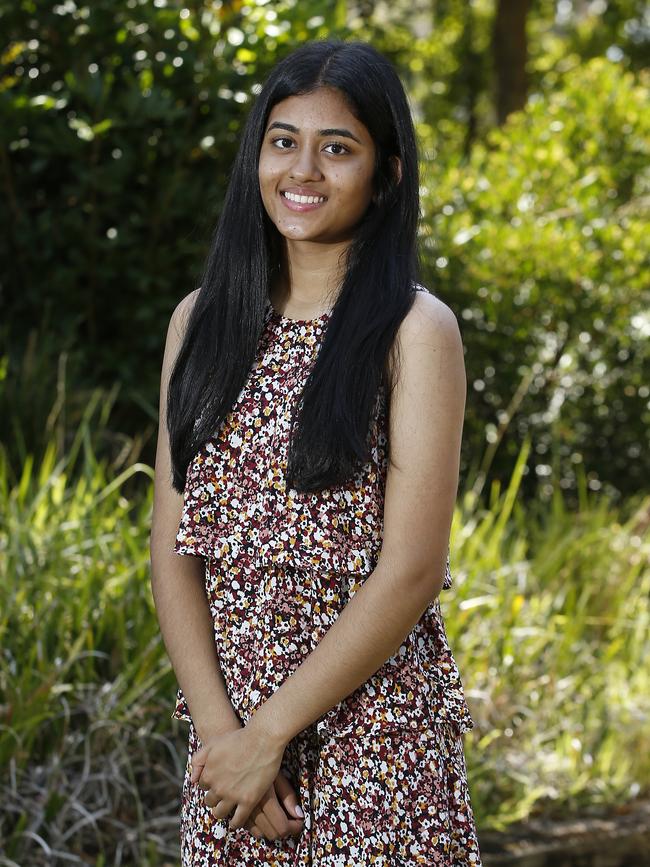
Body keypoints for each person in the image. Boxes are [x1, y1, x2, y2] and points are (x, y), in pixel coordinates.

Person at [150, 36, 483, 866]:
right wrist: (228, 742)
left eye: (338, 148)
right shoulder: (201, 323)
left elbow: (411, 568)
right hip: (228, 760)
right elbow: (172, 549)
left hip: (376, 744)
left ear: (387, 174)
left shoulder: (415, 332)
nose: (303, 171)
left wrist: (271, 734)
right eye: (283, 141)